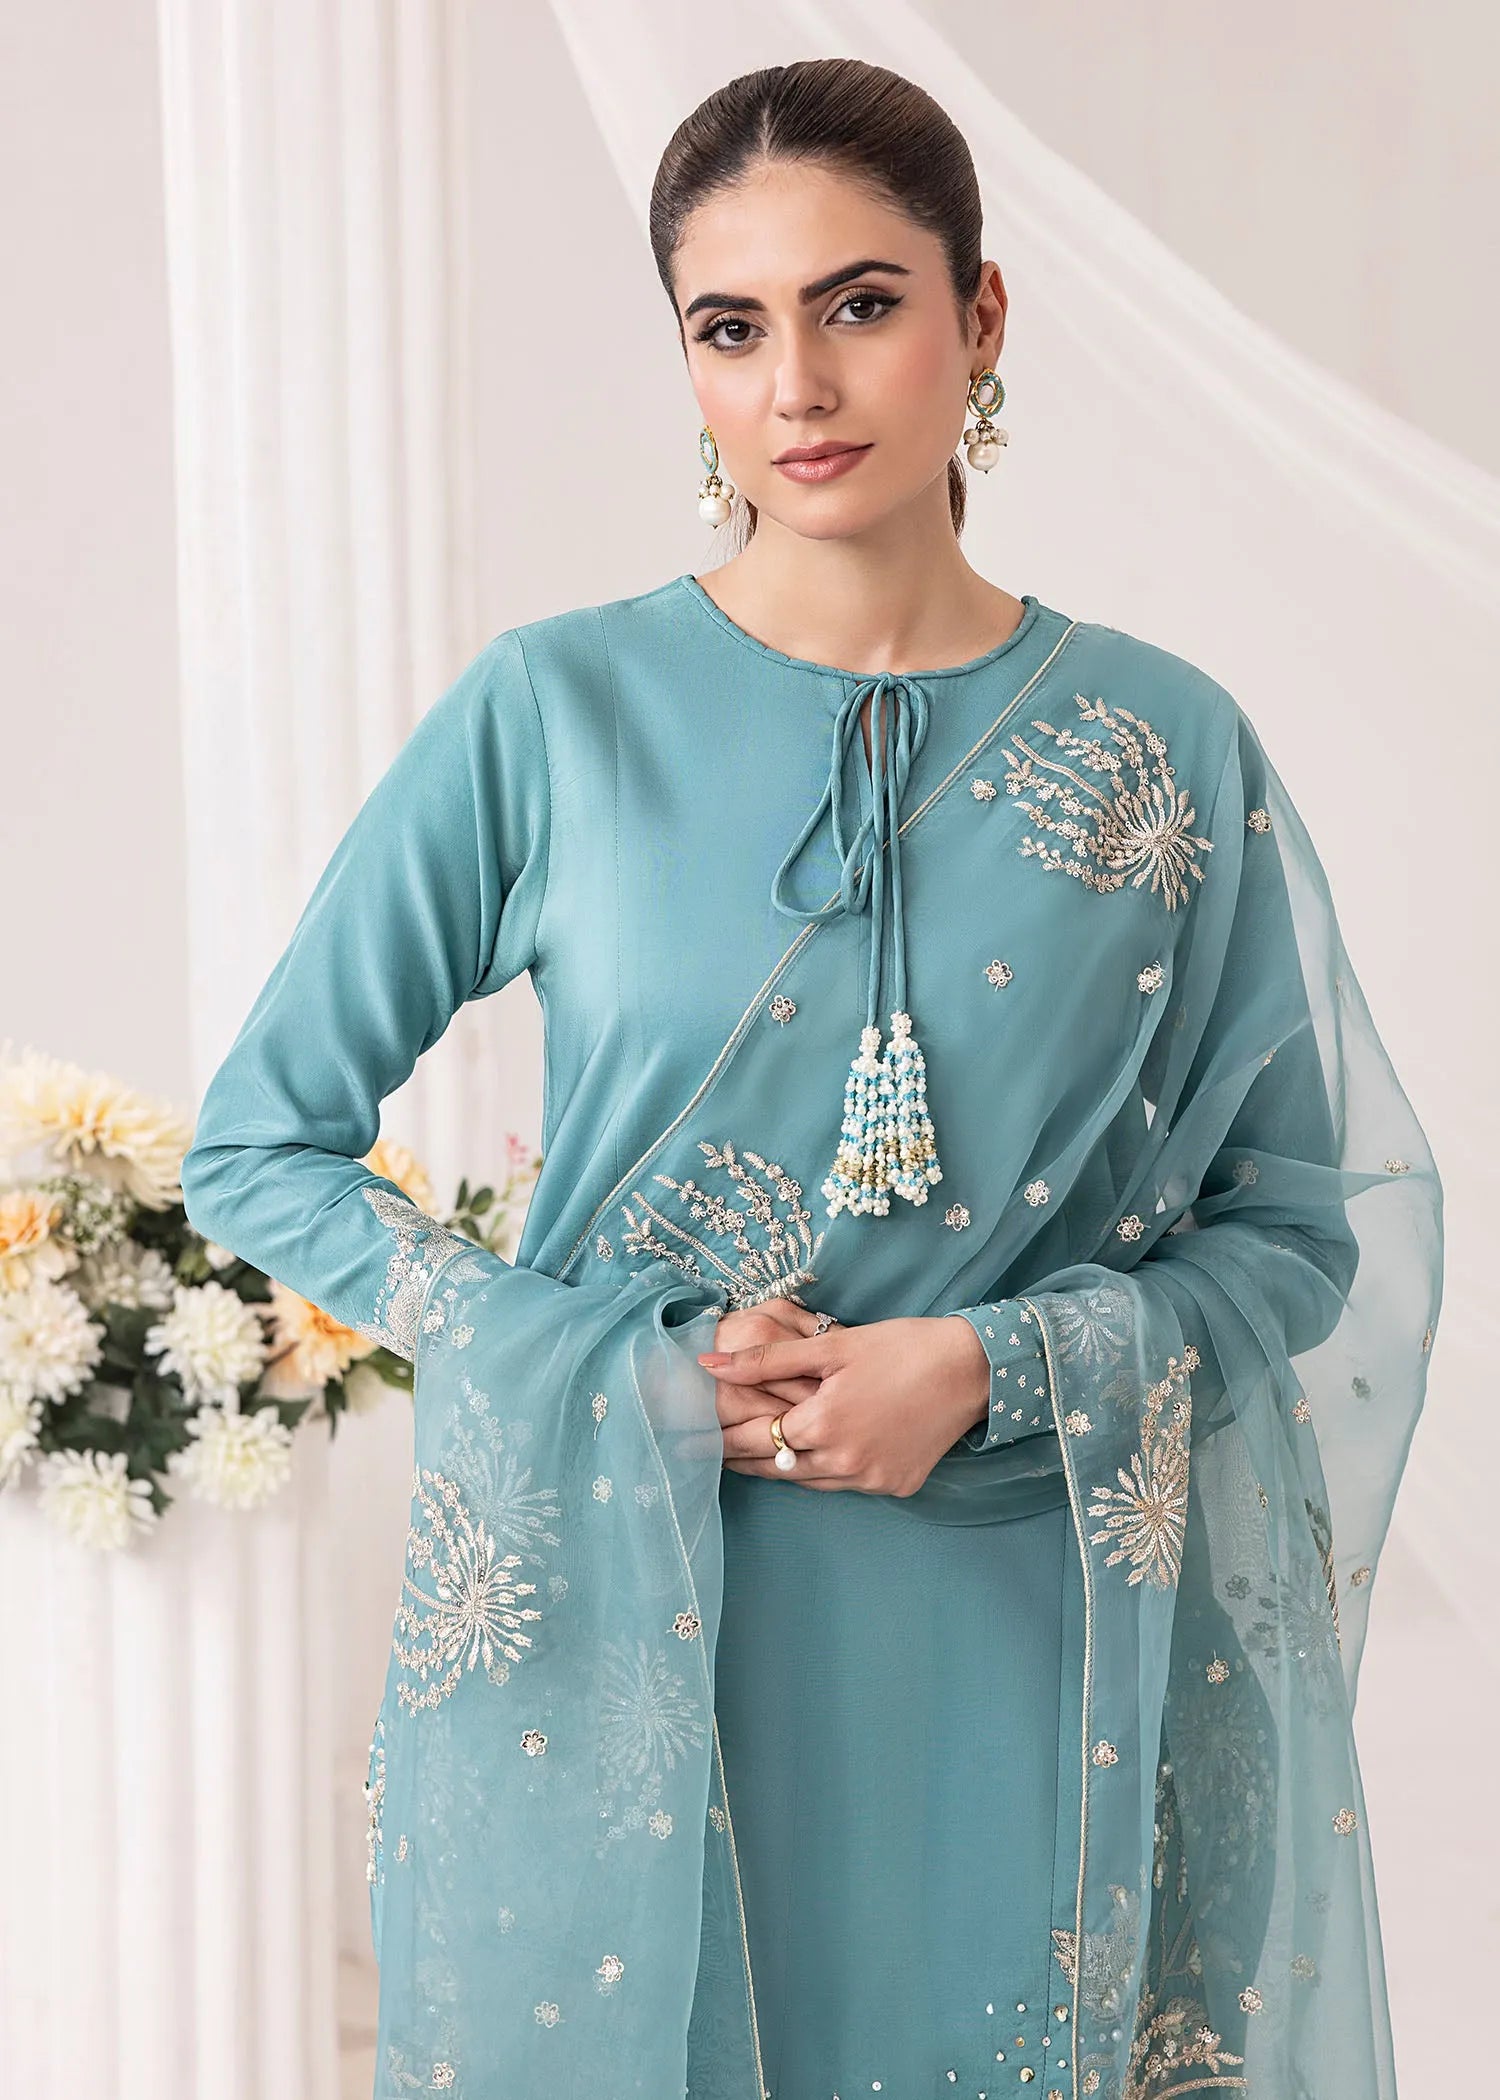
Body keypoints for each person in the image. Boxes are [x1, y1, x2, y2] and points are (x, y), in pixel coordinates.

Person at [180, 57, 1441, 2100]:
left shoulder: (1161, 743)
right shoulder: (555, 715)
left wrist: (1000, 1365)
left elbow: (1302, 1234)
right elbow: (262, 1147)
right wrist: (614, 1358)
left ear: (983, 320)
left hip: (1028, 1635)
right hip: (641, 1619)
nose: (798, 386)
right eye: (730, 327)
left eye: (859, 303)